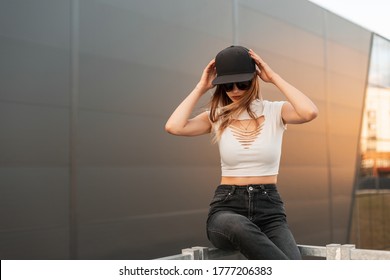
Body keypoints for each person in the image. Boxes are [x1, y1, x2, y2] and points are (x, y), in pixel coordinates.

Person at [165, 45, 318, 260]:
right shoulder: (216, 116)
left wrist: (273, 77)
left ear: (254, 80)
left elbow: (309, 111)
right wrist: (201, 86)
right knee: (239, 226)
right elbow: (174, 126)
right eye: (227, 85)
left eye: (242, 83)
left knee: (291, 260)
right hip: (227, 208)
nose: (235, 90)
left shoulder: (275, 111)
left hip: (269, 210)